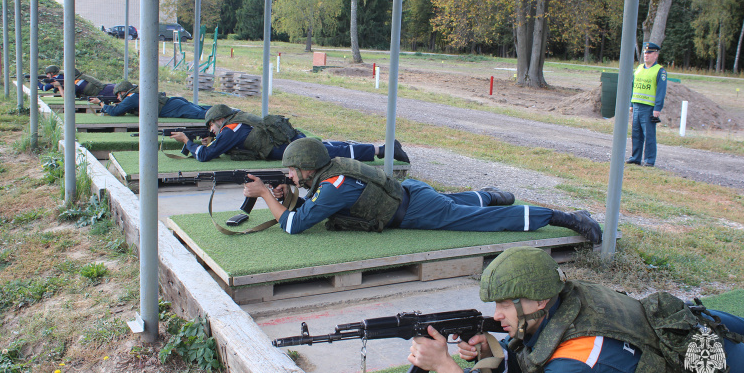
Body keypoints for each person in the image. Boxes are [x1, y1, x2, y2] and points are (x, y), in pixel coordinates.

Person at [408, 246, 744, 373]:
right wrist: (500, 359)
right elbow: (531, 353)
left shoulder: (580, 361)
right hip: (682, 324)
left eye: (505, 304)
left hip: (699, 369)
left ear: (537, 301)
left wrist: (445, 366)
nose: (496, 315)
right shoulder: (565, 297)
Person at [242, 137, 603, 242]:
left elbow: (293, 226)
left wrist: (262, 196)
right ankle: (489, 193)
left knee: (480, 221)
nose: (290, 176)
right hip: (410, 192)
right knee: (456, 205)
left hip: (411, 209)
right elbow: (310, 206)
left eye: (292, 171)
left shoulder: (332, 186)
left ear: (307, 167)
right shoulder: (330, 171)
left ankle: (566, 218)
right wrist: (284, 197)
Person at [171, 103, 411, 163]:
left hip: (284, 146)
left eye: (211, 126)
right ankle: (383, 148)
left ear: (219, 120)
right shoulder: (236, 122)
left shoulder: (231, 128)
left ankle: (386, 150)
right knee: (327, 146)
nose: (211, 131)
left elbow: (205, 156)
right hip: (284, 140)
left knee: (330, 153)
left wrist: (187, 143)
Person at [627, 42, 668, 167]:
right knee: (636, 133)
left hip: (649, 108)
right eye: (645, 53)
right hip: (637, 106)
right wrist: (631, 103)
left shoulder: (659, 71)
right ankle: (636, 158)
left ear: (656, 55)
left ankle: (649, 160)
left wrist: (657, 108)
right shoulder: (638, 69)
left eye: (649, 53)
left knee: (649, 135)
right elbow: (633, 87)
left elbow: (661, 91)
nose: (646, 55)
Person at [92, 81, 211, 119]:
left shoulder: (132, 97)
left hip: (172, 107)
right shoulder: (136, 94)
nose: (118, 98)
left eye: (118, 95)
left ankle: (227, 113)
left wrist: (101, 104)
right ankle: (227, 111)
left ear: (124, 92)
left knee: (202, 114)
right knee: (202, 110)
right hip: (173, 102)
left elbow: (115, 112)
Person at [46, 65, 115, 98]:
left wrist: (59, 87)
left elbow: (67, 98)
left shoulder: (76, 83)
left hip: (106, 92)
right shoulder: (79, 78)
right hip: (107, 88)